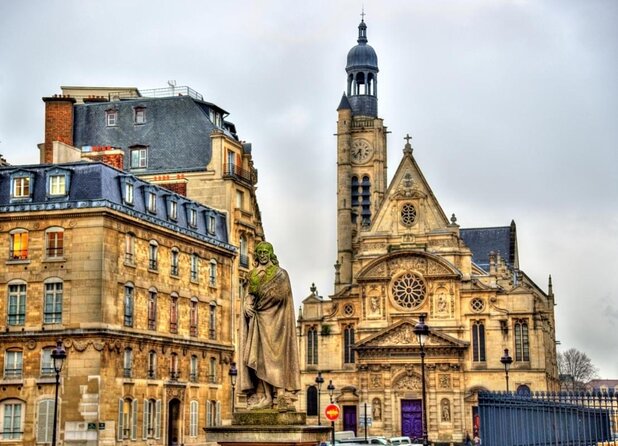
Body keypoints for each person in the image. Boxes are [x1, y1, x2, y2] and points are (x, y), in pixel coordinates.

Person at [240, 241, 301, 409]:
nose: (263, 254)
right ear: (257, 255)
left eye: (266, 251)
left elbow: (282, 295)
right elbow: (249, 295)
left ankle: (281, 394)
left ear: (271, 254)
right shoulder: (252, 275)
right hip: (258, 321)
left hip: (277, 321)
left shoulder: (281, 274)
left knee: (277, 358)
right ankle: (267, 397)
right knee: (259, 358)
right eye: (260, 252)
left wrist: (263, 300)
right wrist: (246, 303)